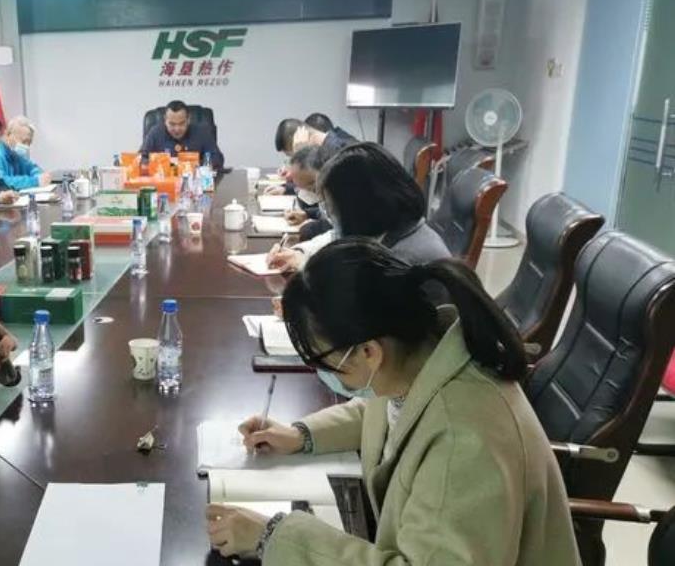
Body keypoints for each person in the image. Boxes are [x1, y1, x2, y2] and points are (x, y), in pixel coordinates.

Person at [206, 239, 579, 565]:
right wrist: (301, 435)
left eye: (325, 361)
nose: (326, 373)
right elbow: (382, 410)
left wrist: (273, 536)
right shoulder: (421, 355)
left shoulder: (464, 442)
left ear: (369, 352)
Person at [267, 143, 448, 273]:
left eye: (332, 207)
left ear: (357, 206)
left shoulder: (401, 260)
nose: (330, 214)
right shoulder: (389, 228)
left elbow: (350, 290)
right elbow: (335, 238)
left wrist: (307, 266)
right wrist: (299, 253)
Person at [140, 100, 224, 170]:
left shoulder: (202, 132)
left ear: (188, 119)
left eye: (181, 123)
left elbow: (217, 158)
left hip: (195, 180)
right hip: (164, 181)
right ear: (165, 120)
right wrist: (163, 164)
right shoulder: (155, 132)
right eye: (172, 124)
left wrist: (192, 165)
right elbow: (140, 158)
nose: (177, 129)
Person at [0, 116, 51, 190]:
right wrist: (35, 181)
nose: (26, 146)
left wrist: (41, 176)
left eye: (29, 143)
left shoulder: (16, 153)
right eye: (24, 141)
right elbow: (1, 182)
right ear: (8, 135)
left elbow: (32, 168)